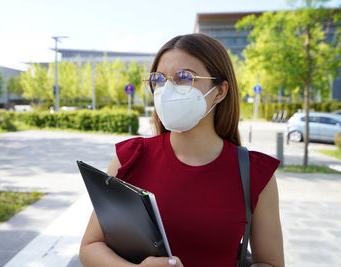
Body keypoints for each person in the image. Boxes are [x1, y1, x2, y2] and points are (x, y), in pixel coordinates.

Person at [79, 33, 284, 267]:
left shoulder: (256, 173)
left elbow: (270, 262)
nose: (167, 90)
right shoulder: (131, 156)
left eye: (184, 77)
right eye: (159, 79)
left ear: (220, 91)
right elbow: (90, 246)